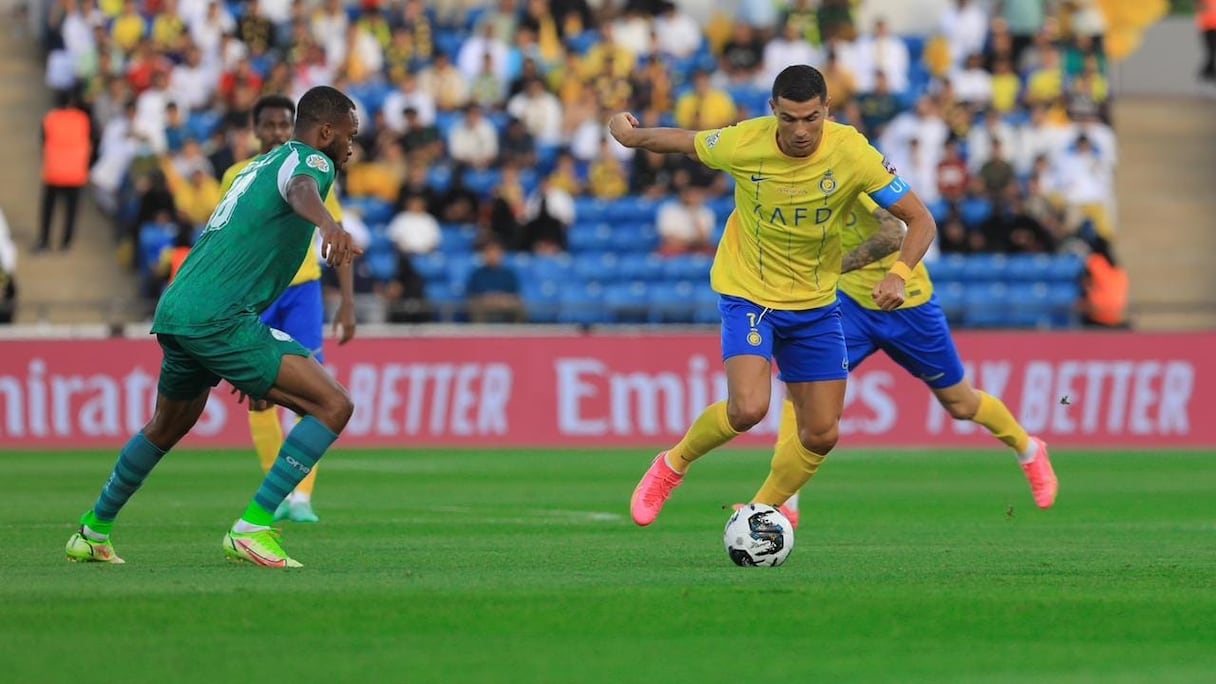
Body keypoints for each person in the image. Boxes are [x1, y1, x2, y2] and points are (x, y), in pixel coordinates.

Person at [609, 65, 938, 527]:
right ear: (773, 112)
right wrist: (630, 137)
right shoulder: (745, 142)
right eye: (789, 119)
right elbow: (685, 140)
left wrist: (900, 274)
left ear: (827, 110)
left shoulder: (854, 153)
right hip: (751, 293)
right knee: (748, 408)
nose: (801, 130)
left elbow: (920, 219)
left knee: (821, 433)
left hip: (817, 303)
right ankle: (672, 465)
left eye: (811, 118)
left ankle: (761, 510)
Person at [65, 86, 362, 568]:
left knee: (168, 425)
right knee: (333, 404)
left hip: (180, 308)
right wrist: (328, 224)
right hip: (220, 317)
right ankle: (253, 526)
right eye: (349, 135)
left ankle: (93, 530)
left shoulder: (255, 167)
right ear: (325, 131)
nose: (351, 147)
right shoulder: (313, 162)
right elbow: (303, 189)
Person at [773, 196, 1058, 529]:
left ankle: (1028, 449)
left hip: (908, 306)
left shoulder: (858, 170)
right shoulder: (807, 178)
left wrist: (830, 269)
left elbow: (893, 234)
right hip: (853, 305)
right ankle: (784, 503)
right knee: (801, 389)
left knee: (961, 404)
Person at [219, 95, 358, 524]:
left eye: (284, 125)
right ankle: (275, 494)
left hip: (301, 293)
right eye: (270, 125)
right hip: (258, 295)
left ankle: (301, 497)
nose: (277, 132)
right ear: (256, 129)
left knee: (310, 397)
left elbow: (337, 237)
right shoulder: (237, 175)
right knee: (260, 398)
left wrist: (348, 303)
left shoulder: (314, 170)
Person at [37, 91, 92, 252]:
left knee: (48, 209)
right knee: (71, 210)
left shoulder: (50, 119)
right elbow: (91, 141)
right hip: (76, 172)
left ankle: (45, 241)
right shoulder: (83, 119)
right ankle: (66, 243)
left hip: (54, 171)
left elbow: (42, 140)